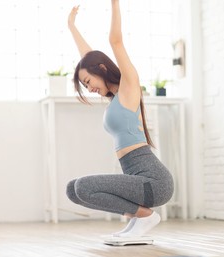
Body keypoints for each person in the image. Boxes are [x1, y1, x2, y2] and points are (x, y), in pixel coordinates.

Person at [66, 0, 174, 238]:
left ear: (102, 69)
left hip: (154, 182)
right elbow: (88, 58)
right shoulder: (114, 97)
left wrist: (114, 3)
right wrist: (71, 26)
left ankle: (144, 216)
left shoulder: (129, 87)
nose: (89, 88)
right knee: (73, 189)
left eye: (88, 82)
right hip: (137, 179)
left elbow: (115, 41)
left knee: (84, 186)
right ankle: (138, 218)